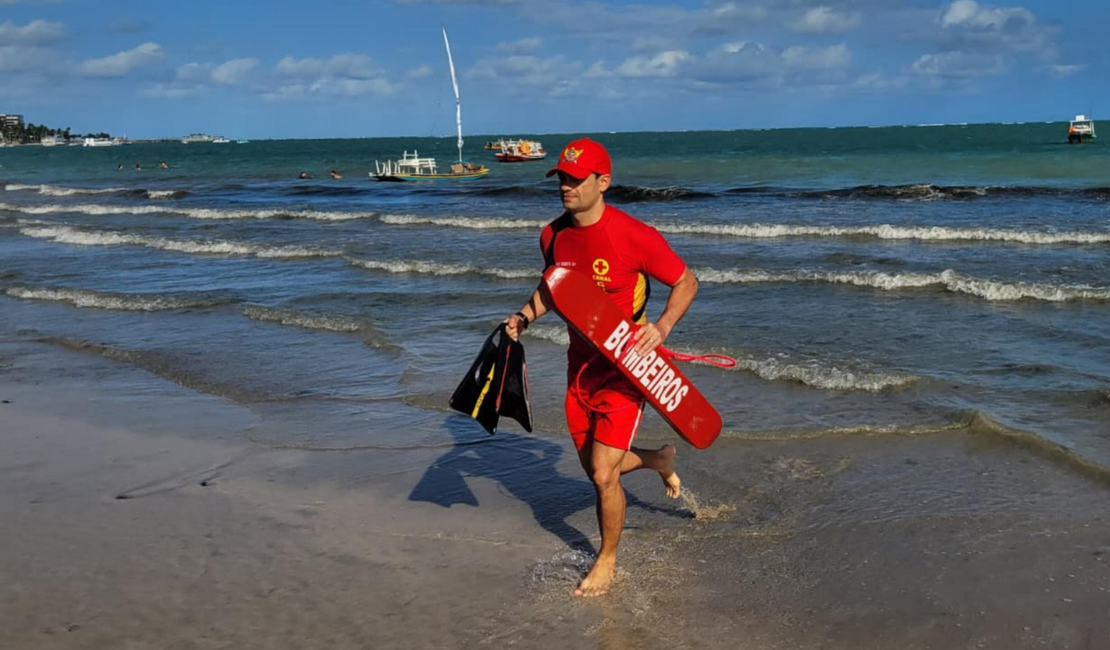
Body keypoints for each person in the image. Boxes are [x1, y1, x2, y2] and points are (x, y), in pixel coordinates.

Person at [504, 138, 699, 597]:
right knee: (596, 465)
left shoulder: (634, 235)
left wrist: (662, 327)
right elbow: (553, 287)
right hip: (580, 367)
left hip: (626, 368)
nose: (565, 186)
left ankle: (607, 560)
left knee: (603, 474)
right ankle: (658, 459)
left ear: (603, 182)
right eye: (561, 178)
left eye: (576, 179)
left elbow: (686, 281)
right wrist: (524, 317)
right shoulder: (553, 236)